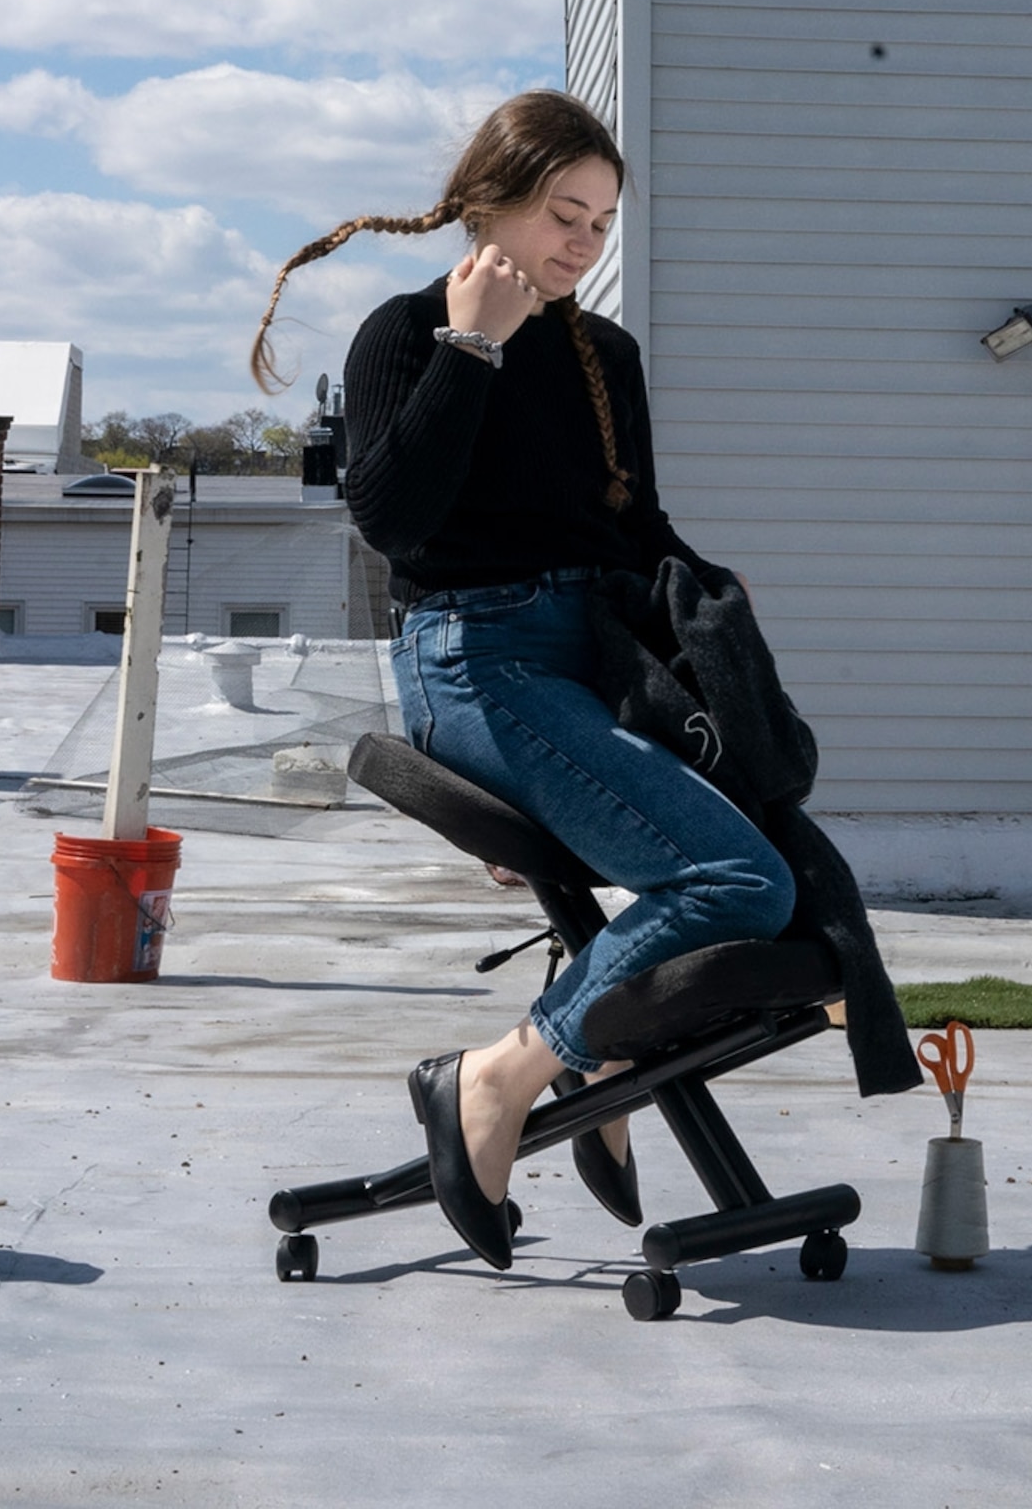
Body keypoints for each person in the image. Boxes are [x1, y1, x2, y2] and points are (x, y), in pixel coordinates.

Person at [249, 89, 796, 1269]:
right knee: (735, 879)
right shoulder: (404, 335)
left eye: (601, 223)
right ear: (485, 200)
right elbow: (397, 524)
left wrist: (710, 583)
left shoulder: (610, 357)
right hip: (474, 659)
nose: (584, 244)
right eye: (564, 213)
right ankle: (501, 1075)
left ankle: (596, 1047)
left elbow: (631, 526)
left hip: (593, 671)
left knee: (767, 872)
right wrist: (472, 346)